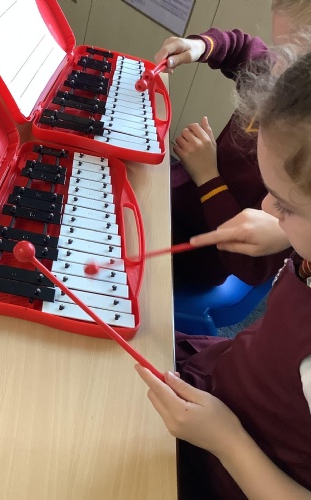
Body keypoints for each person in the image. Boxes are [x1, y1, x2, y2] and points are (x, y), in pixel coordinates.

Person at [136, 49, 311, 499]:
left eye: (285, 205)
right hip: (217, 378)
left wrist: (227, 441)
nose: (265, 208)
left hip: (224, 467)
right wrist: (284, 230)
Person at [154, 0, 311, 286]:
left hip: (197, 254)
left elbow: (252, 265)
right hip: (177, 197)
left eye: (292, 61)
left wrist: (207, 177)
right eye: (279, 51)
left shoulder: (301, 174)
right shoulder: (275, 76)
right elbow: (242, 47)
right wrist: (201, 47)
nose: (274, 68)